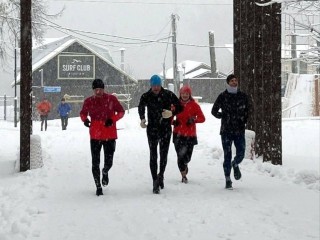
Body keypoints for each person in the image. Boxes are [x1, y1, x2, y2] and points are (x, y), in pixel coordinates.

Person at [138, 74, 183, 194]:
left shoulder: (168, 94)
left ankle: (161, 175)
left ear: (161, 85)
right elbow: (141, 106)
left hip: (165, 129)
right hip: (152, 129)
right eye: (154, 86)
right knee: (153, 155)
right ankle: (154, 180)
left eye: (158, 85)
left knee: (163, 155)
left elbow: (180, 106)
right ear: (151, 85)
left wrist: (171, 113)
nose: (156, 88)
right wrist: (142, 119)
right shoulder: (146, 96)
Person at [80, 79, 125, 196]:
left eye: (100, 89)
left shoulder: (111, 99)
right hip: (95, 135)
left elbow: (121, 112)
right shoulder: (89, 101)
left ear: (103, 89)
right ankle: (98, 186)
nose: (98, 92)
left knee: (109, 161)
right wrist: (85, 120)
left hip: (109, 135)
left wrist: (112, 119)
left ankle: (105, 171)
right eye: (96, 90)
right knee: (95, 162)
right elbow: (83, 113)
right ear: (93, 90)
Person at [211, 74, 251, 190]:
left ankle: (236, 163)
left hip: (239, 129)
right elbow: (214, 110)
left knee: (241, 153)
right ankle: (228, 179)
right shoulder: (223, 96)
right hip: (226, 130)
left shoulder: (242, 96)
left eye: (236, 80)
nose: (234, 82)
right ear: (228, 83)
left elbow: (248, 110)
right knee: (227, 155)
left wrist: (244, 119)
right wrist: (222, 116)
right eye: (232, 81)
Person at [172, 85, 205, 183]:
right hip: (178, 134)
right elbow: (168, 116)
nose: (185, 95)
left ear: (189, 94)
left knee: (187, 157)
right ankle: (183, 174)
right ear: (180, 94)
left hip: (190, 135)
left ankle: (185, 165)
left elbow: (202, 118)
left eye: (187, 94)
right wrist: (173, 122)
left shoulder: (194, 105)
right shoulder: (175, 105)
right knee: (180, 156)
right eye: (183, 93)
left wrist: (193, 119)